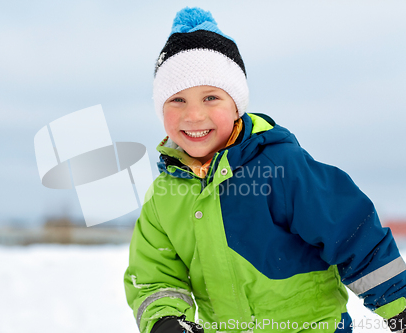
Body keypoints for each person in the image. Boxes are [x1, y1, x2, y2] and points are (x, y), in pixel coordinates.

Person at [124, 7, 406, 333]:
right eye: (177, 101)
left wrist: (400, 307)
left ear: (236, 105)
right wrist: (165, 320)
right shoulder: (164, 197)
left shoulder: (280, 169)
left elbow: (353, 236)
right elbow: (154, 275)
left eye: (211, 97)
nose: (194, 116)